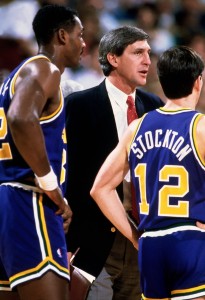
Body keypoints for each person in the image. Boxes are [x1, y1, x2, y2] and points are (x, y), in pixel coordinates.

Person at [90, 45, 205, 300]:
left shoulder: (136, 128)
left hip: (151, 245)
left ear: (161, 82)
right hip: (189, 241)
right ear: (198, 82)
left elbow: (100, 189)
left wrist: (135, 237)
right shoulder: (200, 126)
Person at [65, 26, 163, 300]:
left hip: (139, 240)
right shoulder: (80, 105)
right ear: (113, 58)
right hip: (93, 241)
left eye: (149, 53)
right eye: (138, 53)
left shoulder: (153, 105)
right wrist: (70, 243)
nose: (147, 60)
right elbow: (70, 177)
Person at [0, 4, 85, 300]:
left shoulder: (16, 76)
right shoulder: (43, 67)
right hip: (29, 201)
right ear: (62, 36)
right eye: (79, 35)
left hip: (9, 200)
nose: (84, 43)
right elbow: (21, 118)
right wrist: (52, 188)